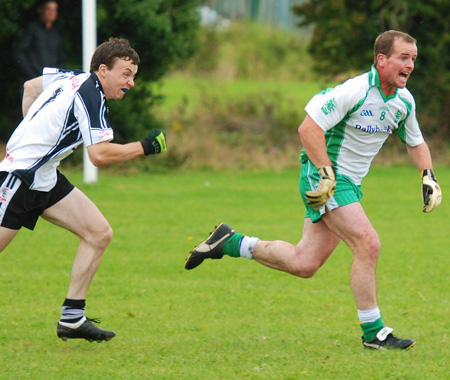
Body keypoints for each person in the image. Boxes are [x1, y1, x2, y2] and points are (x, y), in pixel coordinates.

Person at [184, 30, 442, 350]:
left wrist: (428, 176)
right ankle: (373, 332)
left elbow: (415, 142)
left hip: (349, 184)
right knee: (368, 243)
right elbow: (308, 128)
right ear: (381, 60)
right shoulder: (356, 91)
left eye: (413, 59)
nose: (410, 65)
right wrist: (326, 174)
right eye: (403, 58)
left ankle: (231, 242)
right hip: (325, 176)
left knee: (304, 263)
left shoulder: (404, 101)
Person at [0, 38, 167, 342]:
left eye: (133, 76)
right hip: (20, 178)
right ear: (103, 70)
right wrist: (145, 147)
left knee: (98, 232)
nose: (130, 82)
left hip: (45, 177)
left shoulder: (72, 76)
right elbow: (99, 155)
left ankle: (72, 319)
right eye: (125, 74)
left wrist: (34, 130)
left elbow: (30, 87)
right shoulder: (92, 94)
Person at [13, 0, 65, 81]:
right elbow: (19, 53)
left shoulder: (55, 34)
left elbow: (61, 58)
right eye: (49, 9)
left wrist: (58, 76)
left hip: (52, 81)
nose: (52, 12)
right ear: (40, 10)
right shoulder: (32, 29)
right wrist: (31, 74)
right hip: (33, 80)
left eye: (54, 10)